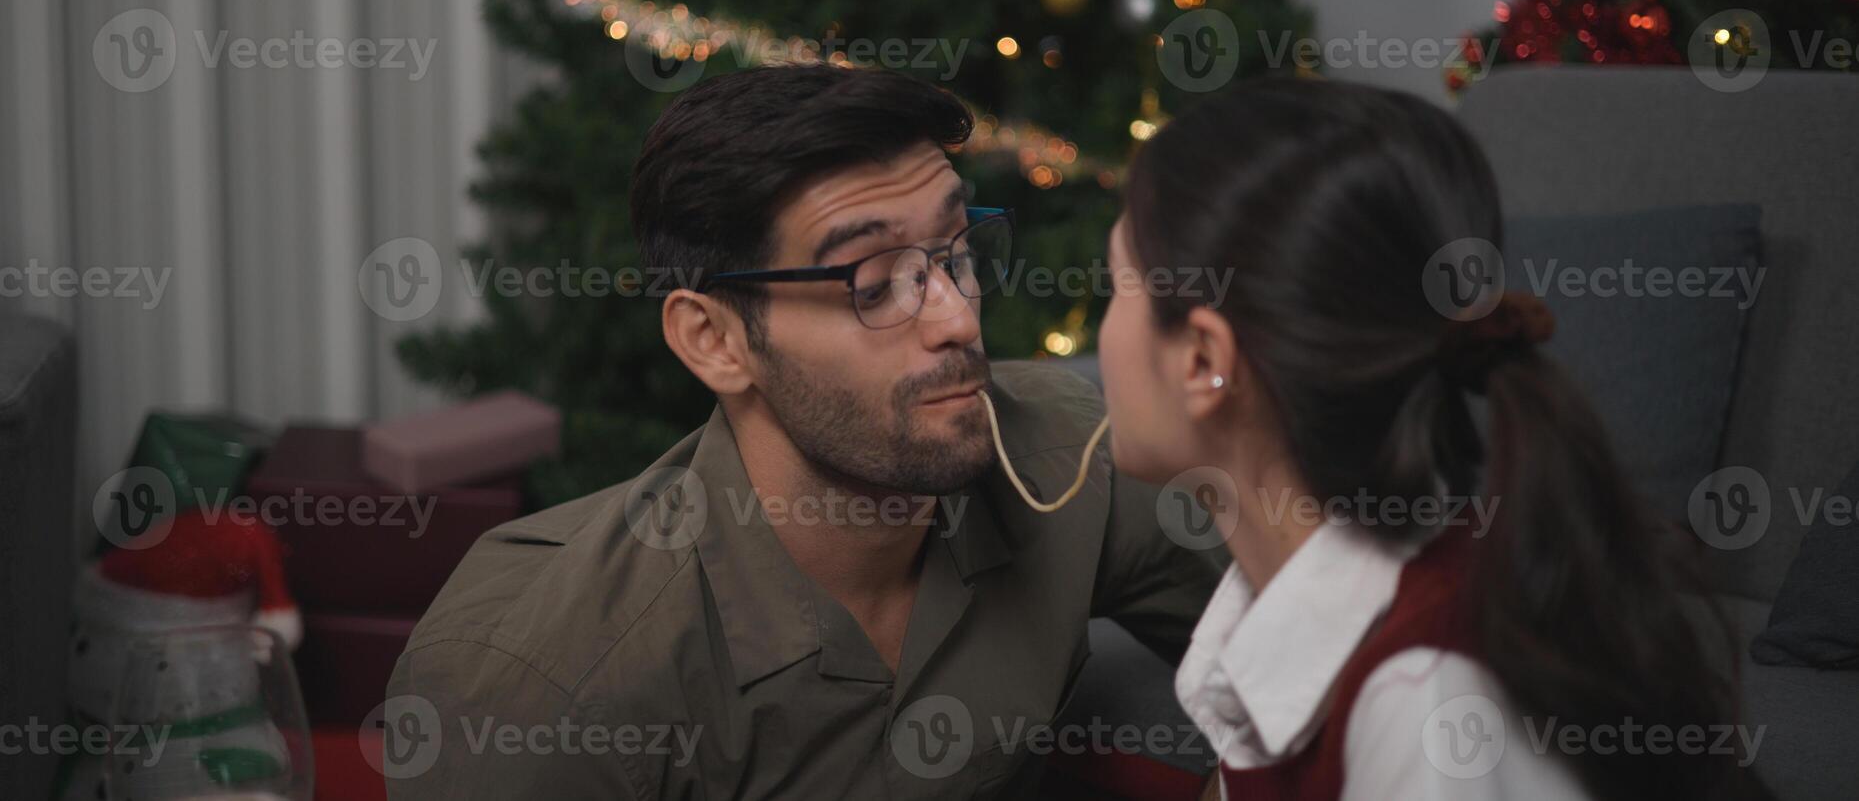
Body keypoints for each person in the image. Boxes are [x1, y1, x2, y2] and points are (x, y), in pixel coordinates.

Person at [387, 64, 1222, 799]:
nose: (958, 319)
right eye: (872, 279)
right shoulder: (545, 685)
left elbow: (1319, 638)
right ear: (714, 341)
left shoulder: (1067, 459)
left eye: (955, 251)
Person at [1095, 79, 1759, 801]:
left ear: (1201, 360)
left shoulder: (1427, 715)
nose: (1100, 336)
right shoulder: (1295, 612)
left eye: (1116, 286)